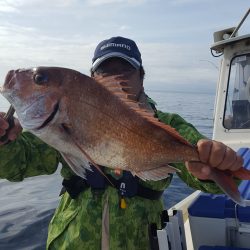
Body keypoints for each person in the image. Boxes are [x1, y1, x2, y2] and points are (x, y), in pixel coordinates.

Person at [0, 36, 243, 250]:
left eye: (124, 69)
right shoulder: (57, 121)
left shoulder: (168, 124)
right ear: (92, 78)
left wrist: (214, 165)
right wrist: (4, 143)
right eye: (105, 71)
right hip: (71, 241)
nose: (115, 77)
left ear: (142, 76)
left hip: (139, 241)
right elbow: (19, 165)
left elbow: (202, 160)